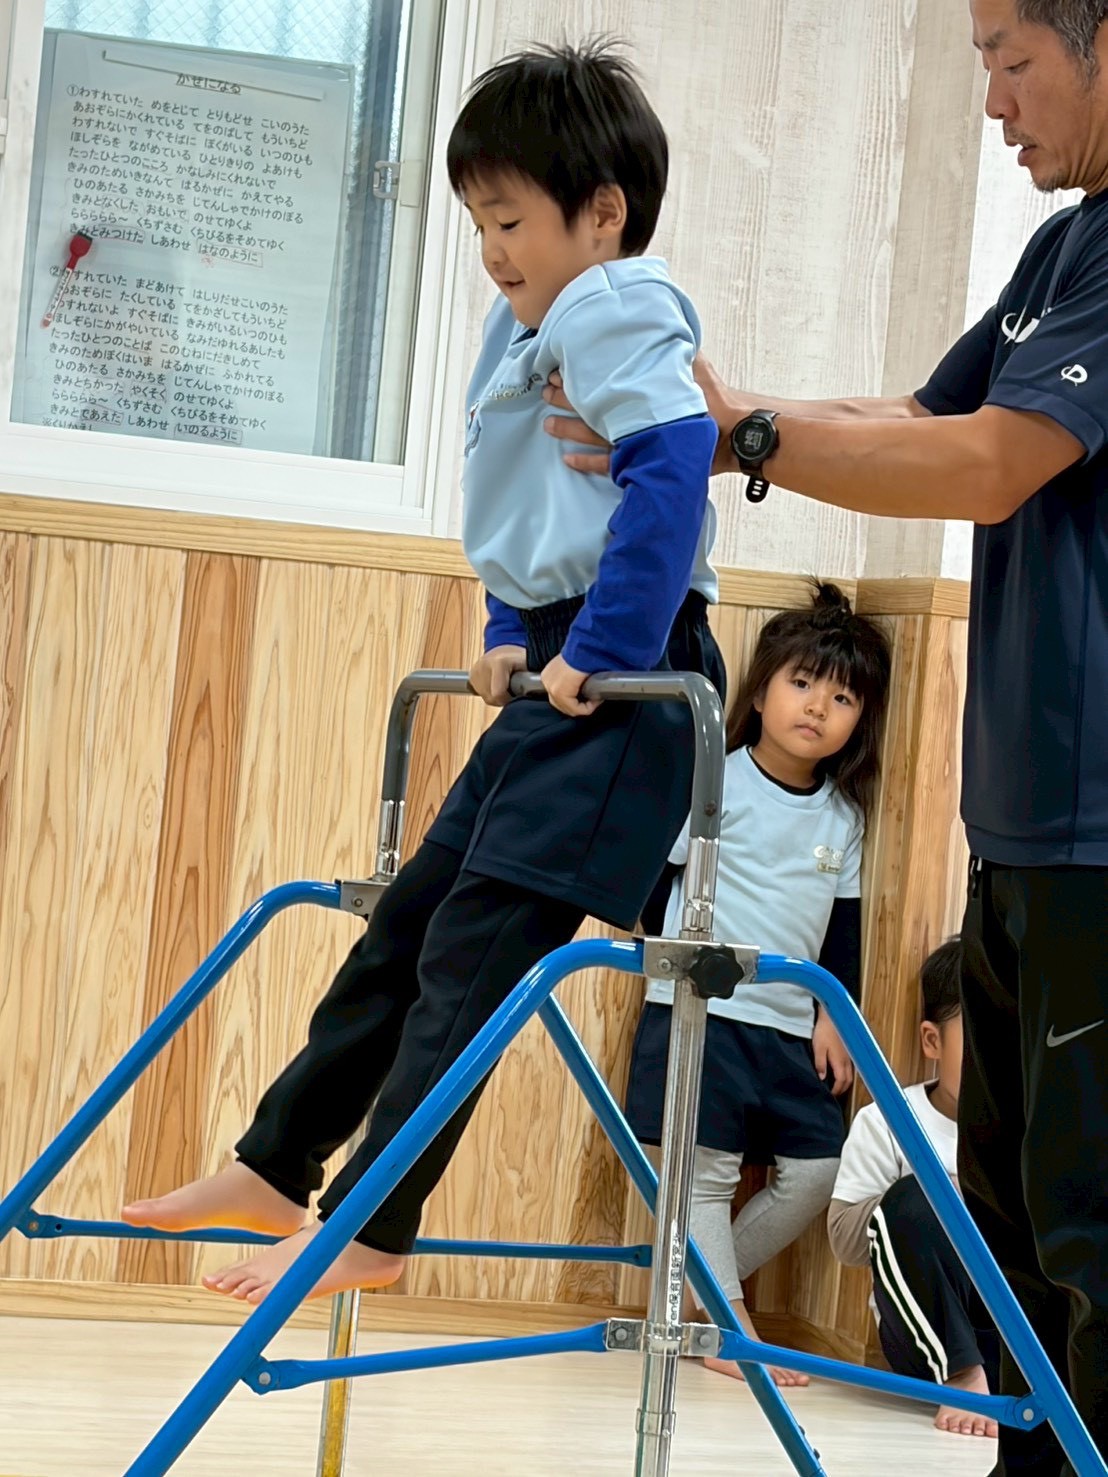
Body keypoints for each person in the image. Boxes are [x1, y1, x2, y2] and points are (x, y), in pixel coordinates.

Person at [543, 4, 1108, 1467]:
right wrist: (727, 418)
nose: (993, 101)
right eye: (979, 64)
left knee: (1089, 1230)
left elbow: (988, 463)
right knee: (1013, 1223)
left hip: (1099, 842)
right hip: (1022, 830)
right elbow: (915, 410)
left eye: (1012, 60)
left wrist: (746, 438)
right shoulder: (1059, 253)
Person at [121, 40, 726, 1304]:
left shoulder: (617, 304)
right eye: (478, 224)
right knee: (406, 927)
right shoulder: (530, 324)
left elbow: (672, 475)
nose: (491, 251)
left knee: (469, 957)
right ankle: (278, 1162)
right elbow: (519, 499)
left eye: (510, 221)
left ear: (601, 213)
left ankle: (374, 1220)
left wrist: (603, 648)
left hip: (625, 682)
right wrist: (509, 624)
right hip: (560, 659)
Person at [626, 581, 891, 1386]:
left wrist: (833, 1015)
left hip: (787, 1024)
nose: (817, 707)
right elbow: (651, 889)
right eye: (802, 683)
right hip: (701, 1010)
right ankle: (733, 1332)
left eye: (841, 698)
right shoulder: (716, 779)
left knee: (819, 1169)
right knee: (704, 1174)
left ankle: (696, 1305)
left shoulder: (844, 818)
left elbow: (842, 932)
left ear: (859, 719)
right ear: (763, 689)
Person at [829, 938, 1001, 1440]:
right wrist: (950, 1196)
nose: (995, 1064)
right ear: (932, 1041)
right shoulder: (889, 1120)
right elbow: (845, 1240)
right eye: (979, 1041)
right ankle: (962, 1377)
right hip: (926, 1338)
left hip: (1018, 1336)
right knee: (911, 1198)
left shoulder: (1032, 1133)